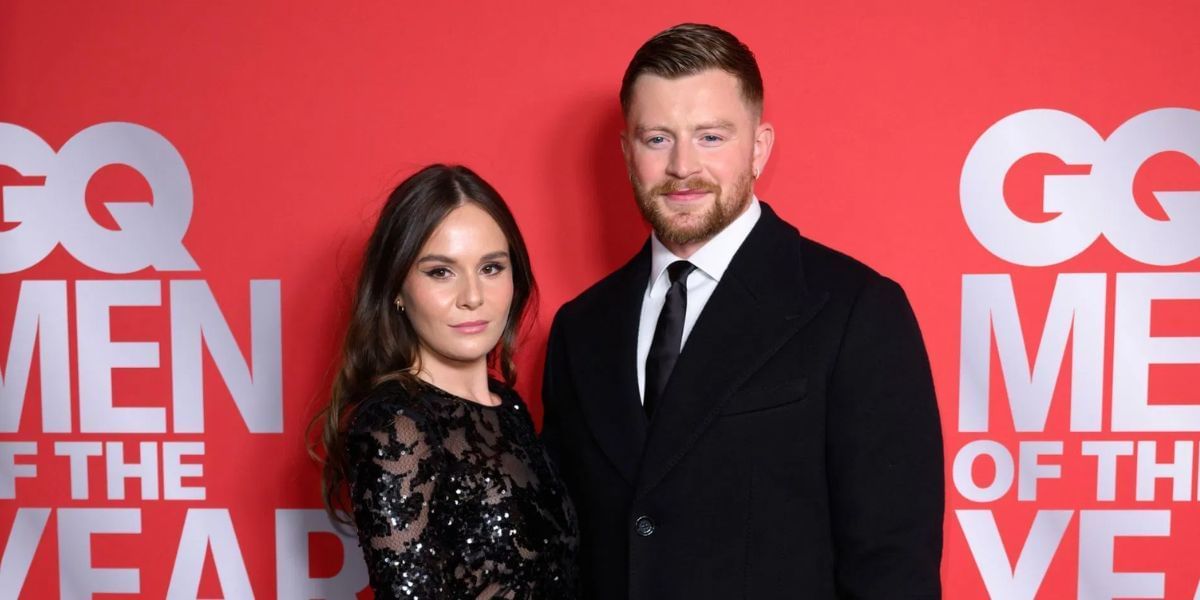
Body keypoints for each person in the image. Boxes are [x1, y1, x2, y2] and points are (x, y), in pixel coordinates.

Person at [540, 24, 943, 598]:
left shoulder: (855, 310)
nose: (683, 166)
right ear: (627, 151)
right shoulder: (580, 328)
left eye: (710, 137)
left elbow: (894, 565)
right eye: (658, 138)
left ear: (758, 148)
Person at [314, 164, 579, 599]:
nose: (472, 296)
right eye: (441, 272)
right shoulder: (396, 425)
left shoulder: (507, 406)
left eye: (491, 268)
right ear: (396, 288)